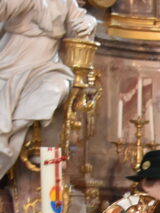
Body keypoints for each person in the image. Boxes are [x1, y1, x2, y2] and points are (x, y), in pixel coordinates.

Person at [0, 0, 96, 176]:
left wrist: (88, 23)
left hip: (46, 67)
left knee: (56, 88)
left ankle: (21, 135)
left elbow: (78, 21)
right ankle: (9, 142)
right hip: (10, 63)